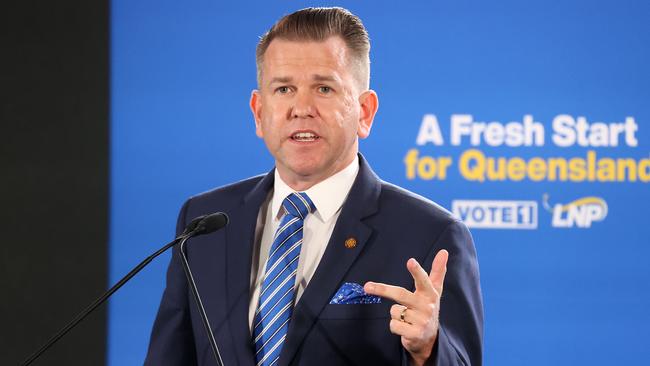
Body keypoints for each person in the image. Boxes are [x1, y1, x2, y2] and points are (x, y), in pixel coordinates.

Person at [145, 7, 482, 366]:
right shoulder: (204, 222)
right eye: (284, 88)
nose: (301, 108)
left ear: (364, 113)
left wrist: (428, 349)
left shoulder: (429, 234)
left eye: (323, 88)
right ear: (259, 113)